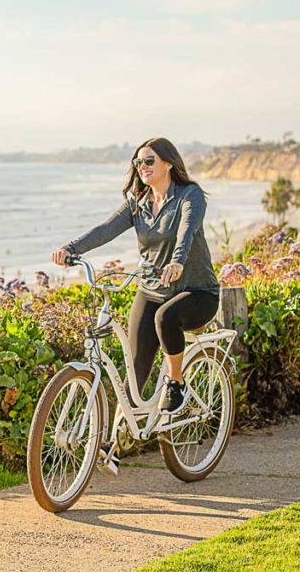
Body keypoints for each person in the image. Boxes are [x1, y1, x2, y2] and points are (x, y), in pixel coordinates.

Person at [51, 136, 220, 415]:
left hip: (196, 291)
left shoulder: (190, 196)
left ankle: (175, 384)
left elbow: (186, 231)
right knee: (135, 368)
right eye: (138, 162)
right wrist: (71, 248)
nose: (142, 166)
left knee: (165, 318)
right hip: (153, 288)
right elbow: (106, 229)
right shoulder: (137, 202)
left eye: (149, 160)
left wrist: (177, 262)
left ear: (168, 163)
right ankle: (112, 446)